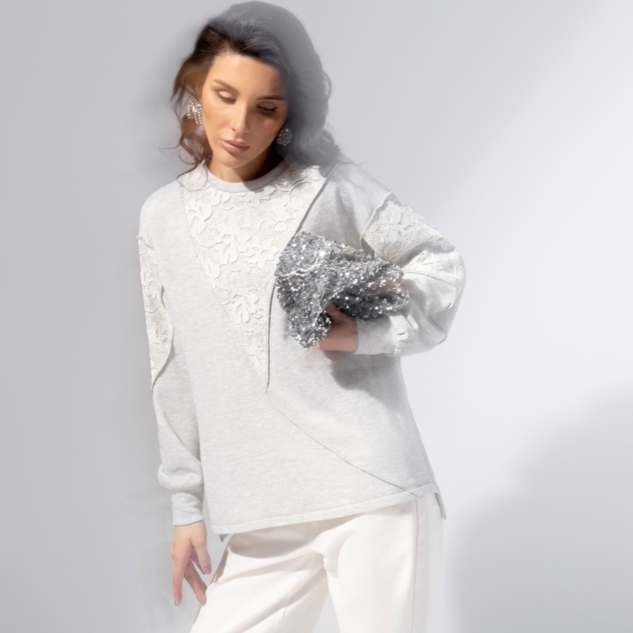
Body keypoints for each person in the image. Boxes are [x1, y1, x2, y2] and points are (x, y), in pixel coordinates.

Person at [136, 2, 467, 631]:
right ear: (195, 87)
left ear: (289, 113)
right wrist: (185, 507)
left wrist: (364, 332)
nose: (240, 124)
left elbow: (439, 265)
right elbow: (170, 365)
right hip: (259, 514)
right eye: (225, 96)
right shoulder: (161, 218)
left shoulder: (329, 185)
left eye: (267, 108)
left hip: (371, 491)